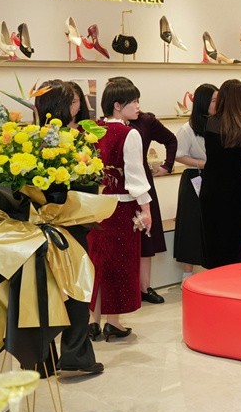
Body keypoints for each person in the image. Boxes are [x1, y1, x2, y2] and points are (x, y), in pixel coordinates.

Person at [33, 81, 103, 375]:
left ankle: (41, 360)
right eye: (74, 101)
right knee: (76, 290)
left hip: (37, 228)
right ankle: (75, 354)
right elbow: (88, 184)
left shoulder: (32, 139)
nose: (79, 105)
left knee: (42, 291)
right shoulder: (73, 140)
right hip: (69, 226)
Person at [88, 79, 152, 341]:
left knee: (97, 262)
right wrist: (146, 209)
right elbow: (135, 176)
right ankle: (113, 322)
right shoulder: (129, 134)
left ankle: (93, 320)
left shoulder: (94, 129)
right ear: (117, 105)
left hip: (96, 206)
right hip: (121, 207)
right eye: (133, 101)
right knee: (118, 265)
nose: (138, 106)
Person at [108, 77, 177, 305]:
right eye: (133, 101)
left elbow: (171, 139)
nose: (137, 105)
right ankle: (123, 288)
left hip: (142, 182)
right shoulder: (106, 126)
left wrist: (167, 165)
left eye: (138, 100)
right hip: (116, 186)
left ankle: (144, 287)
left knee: (146, 237)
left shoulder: (145, 121)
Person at [199, 79, 241, 268]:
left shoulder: (211, 122)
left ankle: (213, 280)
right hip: (236, 191)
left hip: (211, 189)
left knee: (214, 241)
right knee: (236, 244)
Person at [173, 83, 217, 281]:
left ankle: (215, 272)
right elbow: (178, 155)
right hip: (195, 178)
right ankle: (187, 275)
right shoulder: (187, 129)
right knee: (191, 226)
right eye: (214, 100)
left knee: (215, 226)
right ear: (203, 102)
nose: (218, 104)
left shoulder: (221, 124)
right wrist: (202, 163)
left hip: (216, 178)